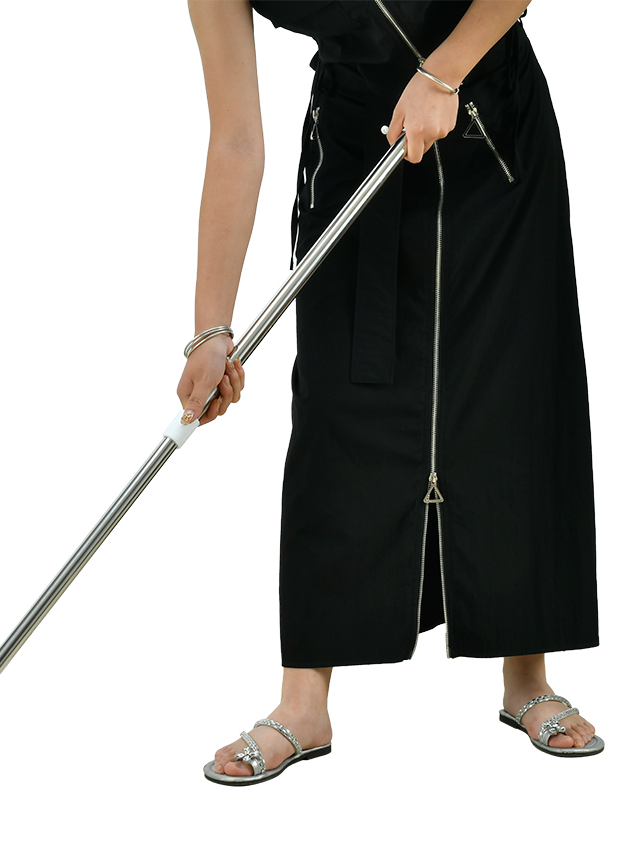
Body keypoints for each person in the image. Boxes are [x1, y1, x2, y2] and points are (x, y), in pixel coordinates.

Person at [179, 0, 603, 785]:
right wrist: (210, 327)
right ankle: (304, 703)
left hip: (494, 132)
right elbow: (235, 137)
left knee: (513, 392)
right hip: (358, 146)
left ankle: (527, 678)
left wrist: (444, 71)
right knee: (339, 408)